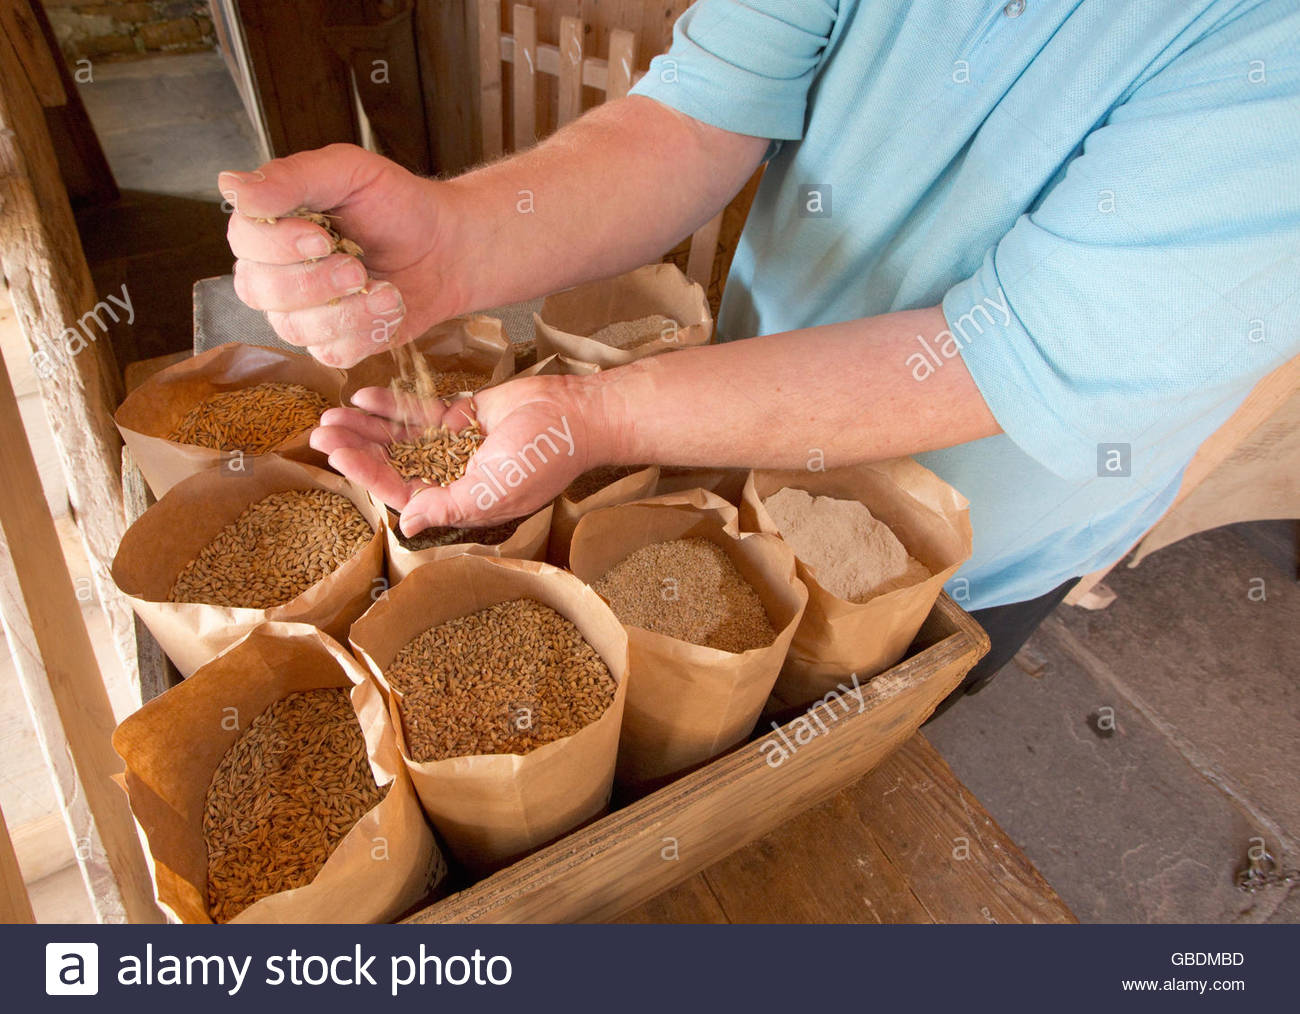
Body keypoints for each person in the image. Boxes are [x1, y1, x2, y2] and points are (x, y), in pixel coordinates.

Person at [219, 0, 1300, 704]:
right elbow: (699, 115)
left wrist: (598, 417)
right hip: (734, 418)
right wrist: (454, 246)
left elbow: (1012, 353)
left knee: (852, 735)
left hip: (962, 551)